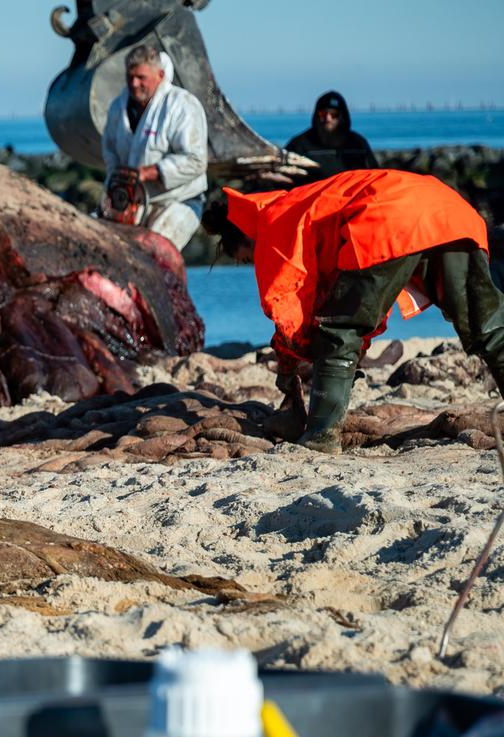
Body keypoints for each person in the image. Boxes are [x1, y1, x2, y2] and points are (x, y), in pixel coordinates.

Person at [202, 170, 504, 453]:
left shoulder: (271, 222)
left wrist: (286, 368)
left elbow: (289, 308)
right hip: (450, 209)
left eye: (245, 259)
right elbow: (355, 291)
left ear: (243, 238)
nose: (251, 264)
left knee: (338, 330)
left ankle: (321, 435)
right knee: (488, 326)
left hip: (391, 216)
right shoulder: (300, 202)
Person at [100, 44, 209, 253]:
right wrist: (118, 178)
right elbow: (109, 150)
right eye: (130, 77)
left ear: (160, 75)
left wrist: (150, 173)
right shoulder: (118, 107)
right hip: (132, 203)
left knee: (153, 255)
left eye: (141, 77)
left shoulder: (182, 105)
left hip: (177, 201)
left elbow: (196, 160)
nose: (134, 84)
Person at [286, 91, 378, 183]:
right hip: (313, 196)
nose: (328, 119)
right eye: (323, 114)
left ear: (342, 117)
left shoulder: (358, 144)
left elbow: (375, 176)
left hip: (354, 196)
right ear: (316, 116)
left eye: (334, 115)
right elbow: (284, 178)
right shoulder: (300, 144)